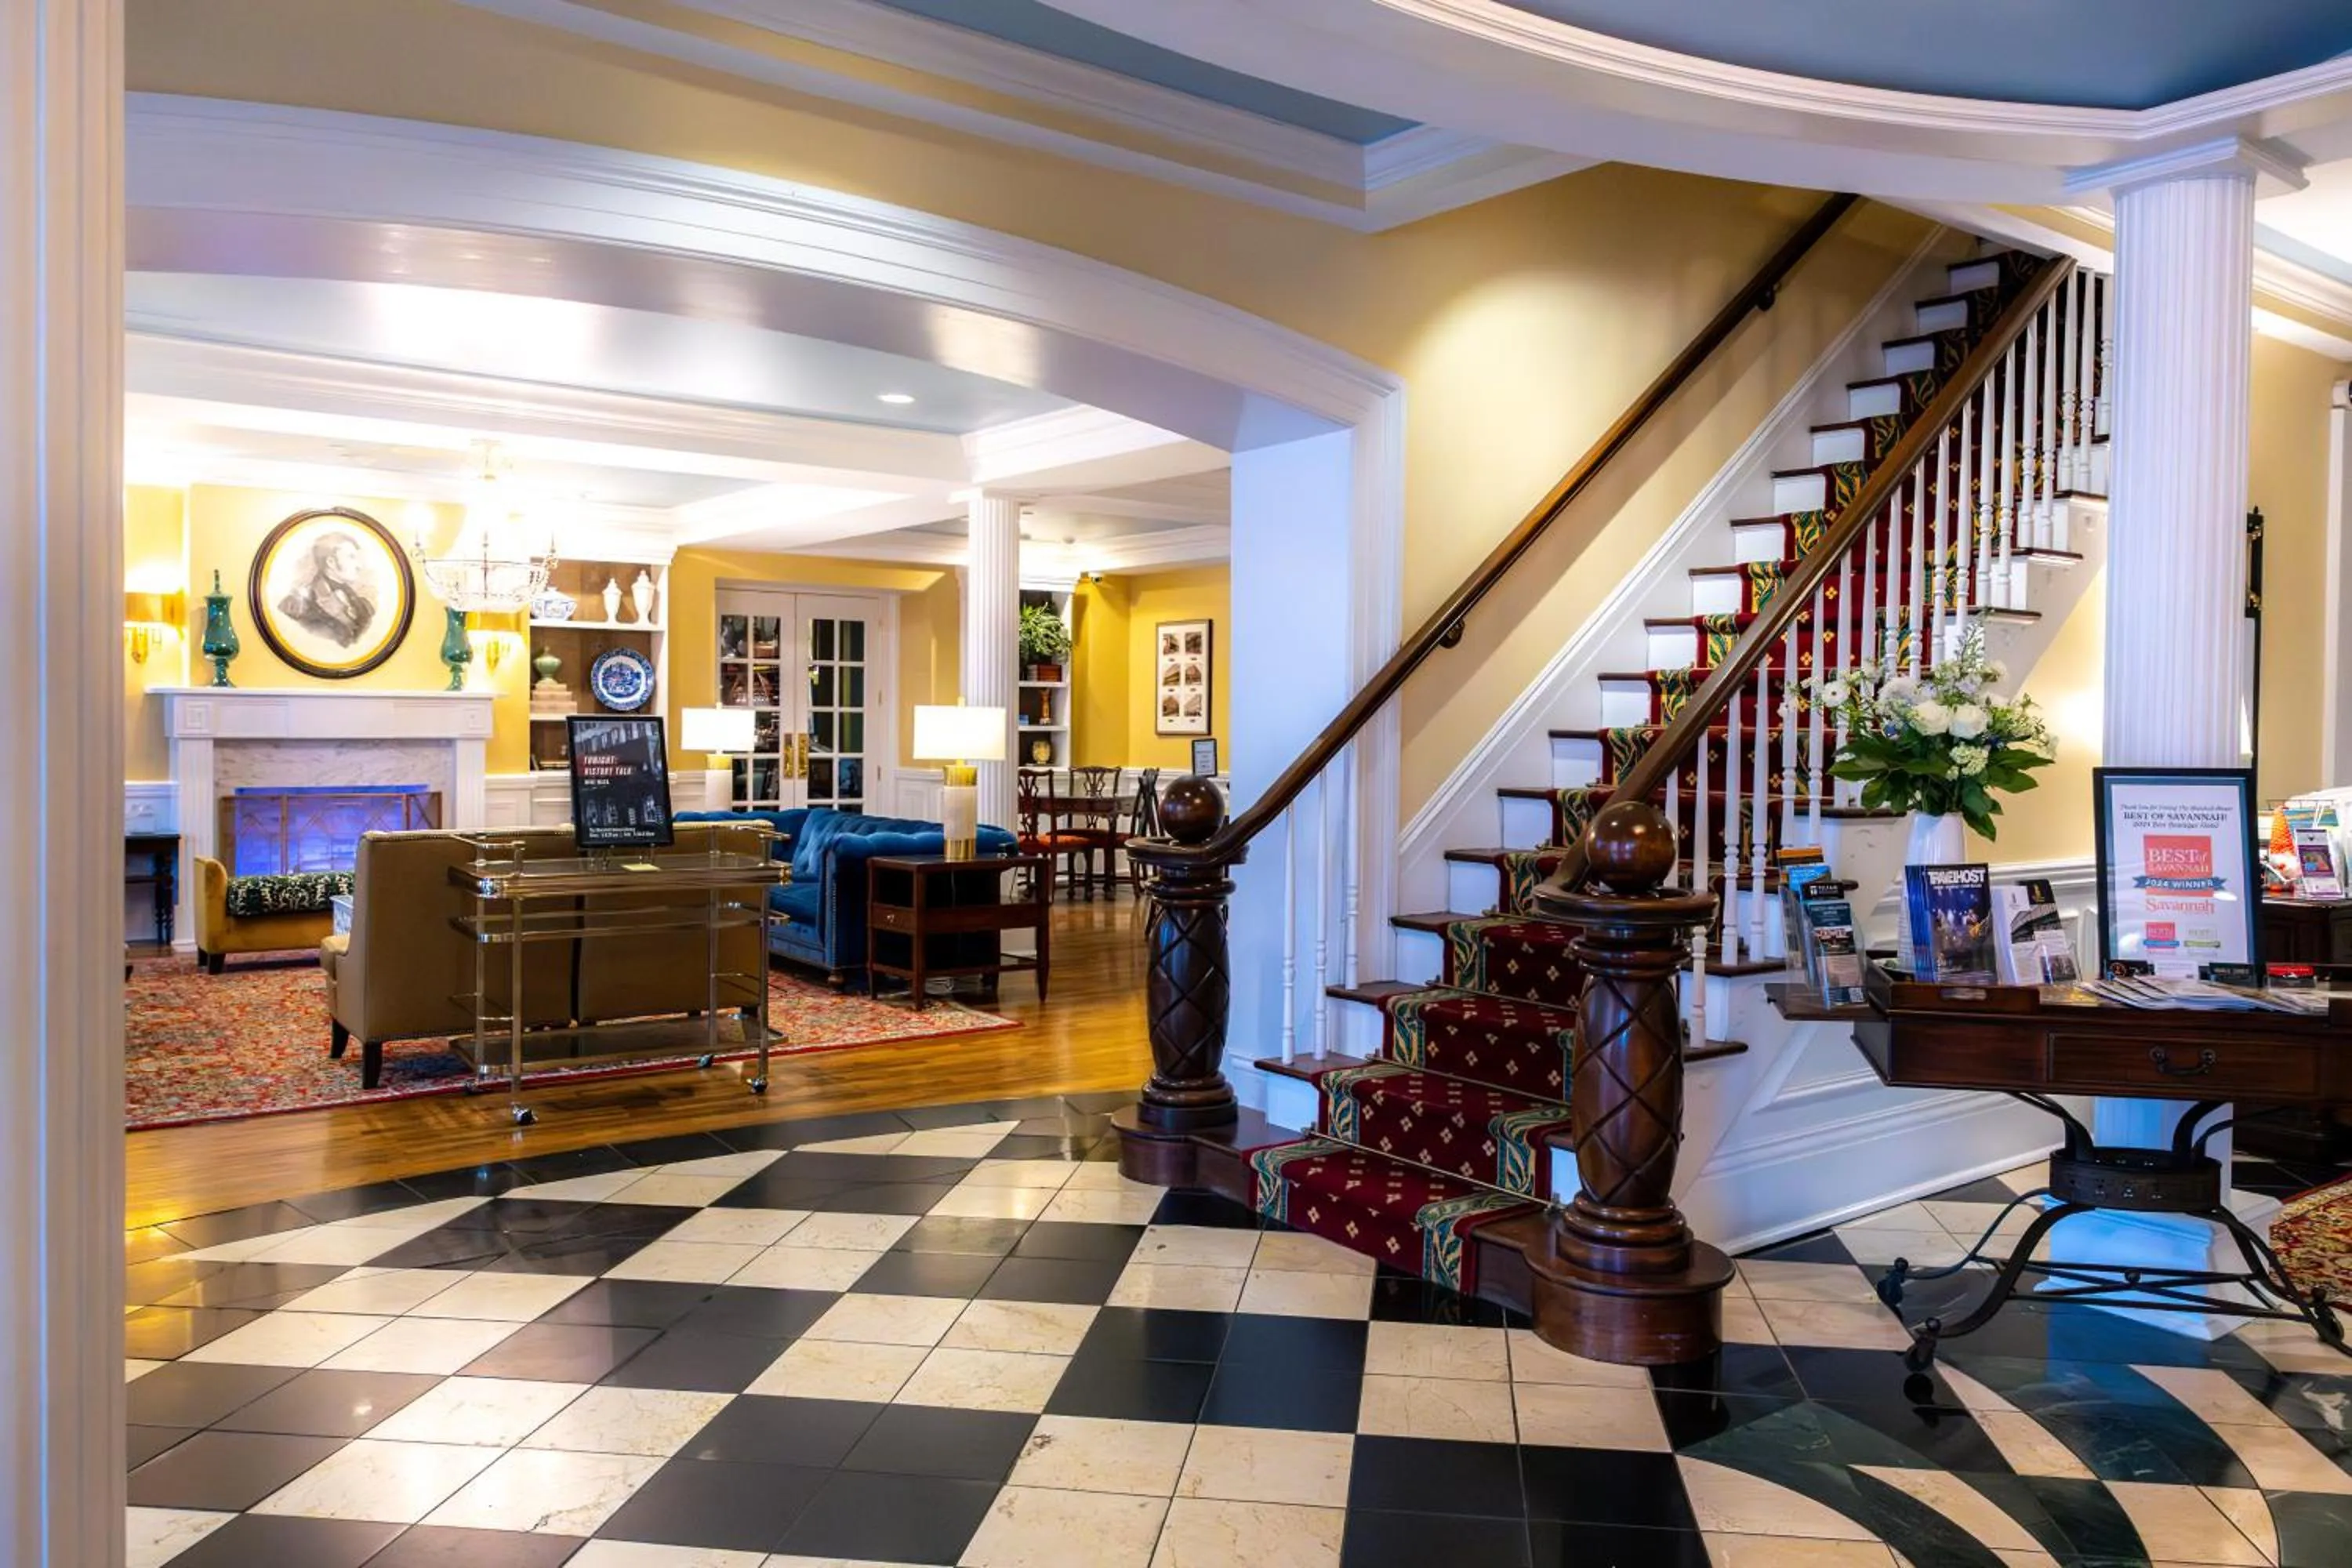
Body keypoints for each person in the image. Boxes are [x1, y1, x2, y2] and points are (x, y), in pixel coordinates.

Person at [278, 530, 378, 648]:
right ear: (331, 562)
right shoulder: (299, 606)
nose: (359, 566)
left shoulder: (361, 603)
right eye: (351, 557)